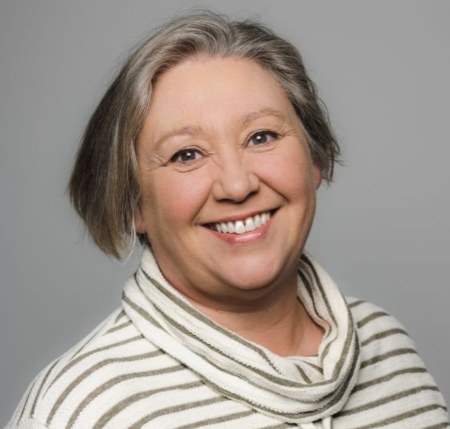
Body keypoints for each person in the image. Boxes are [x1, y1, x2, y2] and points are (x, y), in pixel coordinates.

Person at [5, 12, 449, 429]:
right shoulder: (84, 408)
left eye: (261, 136)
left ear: (313, 157)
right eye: (187, 155)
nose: (237, 185)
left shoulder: (388, 348)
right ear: (134, 204)